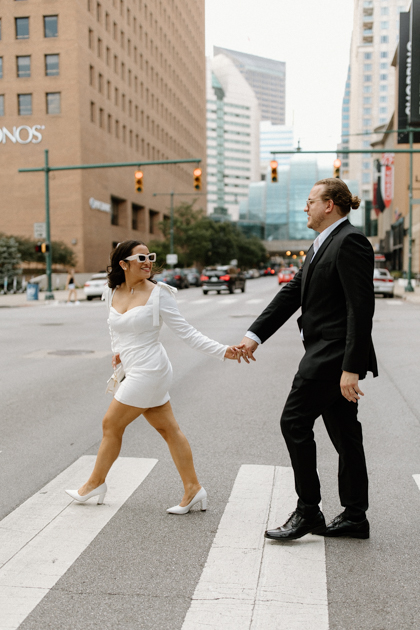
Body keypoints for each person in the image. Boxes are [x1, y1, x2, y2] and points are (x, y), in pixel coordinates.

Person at [238, 178, 378, 541]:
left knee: (294, 421)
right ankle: (354, 516)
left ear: (329, 205)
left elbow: (360, 309)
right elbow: (291, 294)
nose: (306, 207)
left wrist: (351, 367)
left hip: (332, 357)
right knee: (346, 435)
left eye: (311, 200)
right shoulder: (320, 245)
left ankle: (308, 510)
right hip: (327, 353)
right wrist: (254, 337)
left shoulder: (350, 242)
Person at [66, 240, 242, 514]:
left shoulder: (160, 294)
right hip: (133, 367)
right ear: (123, 264)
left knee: (111, 424)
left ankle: (94, 483)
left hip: (151, 369)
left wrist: (223, 351)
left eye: (150, 256)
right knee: (168, 429)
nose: (148, 261)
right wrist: (118, 353)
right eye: (140, 258)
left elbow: (187, 332)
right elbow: (114, 328)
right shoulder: (112, 291)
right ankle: (193, 489)